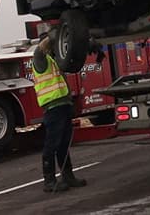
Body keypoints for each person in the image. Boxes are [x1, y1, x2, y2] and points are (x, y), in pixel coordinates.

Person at [32, 36, 87, 193]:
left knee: (64, 144)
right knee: (52, 144)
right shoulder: (40, 59)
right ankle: (49, 181)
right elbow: (39, 49)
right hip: (53, 108)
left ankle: (68, 176)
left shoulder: (53, 60)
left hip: (63, 106)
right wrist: (54, 35)